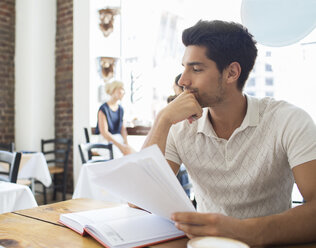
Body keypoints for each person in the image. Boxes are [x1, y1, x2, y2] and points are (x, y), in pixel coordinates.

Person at [143, 20, 316, 246]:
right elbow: (141, 202)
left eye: (196, 69)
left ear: (232, 72)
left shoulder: (289, 120)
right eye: (184, 68)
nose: (183, 80)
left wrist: (244, 231)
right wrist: (162, 119)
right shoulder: (179, 126)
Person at [95, 80, 134, 158]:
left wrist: (126, 145)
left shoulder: (121, 109)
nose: (123, 92)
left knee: (133, 155)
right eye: (121, 89)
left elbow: (123, 130)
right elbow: (104, 133)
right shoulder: (103, 109)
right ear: (113, 90)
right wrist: (121, 147)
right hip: (106, 142)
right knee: (118, 157)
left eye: (123, 90)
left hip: (119, 141)